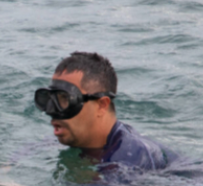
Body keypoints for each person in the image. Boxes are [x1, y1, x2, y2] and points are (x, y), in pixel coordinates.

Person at [35, 51, 172, 175]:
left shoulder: (127, 162)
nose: (51, 111)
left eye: (65, 99)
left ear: (101, 105)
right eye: (49, 99)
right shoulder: (76, 135)